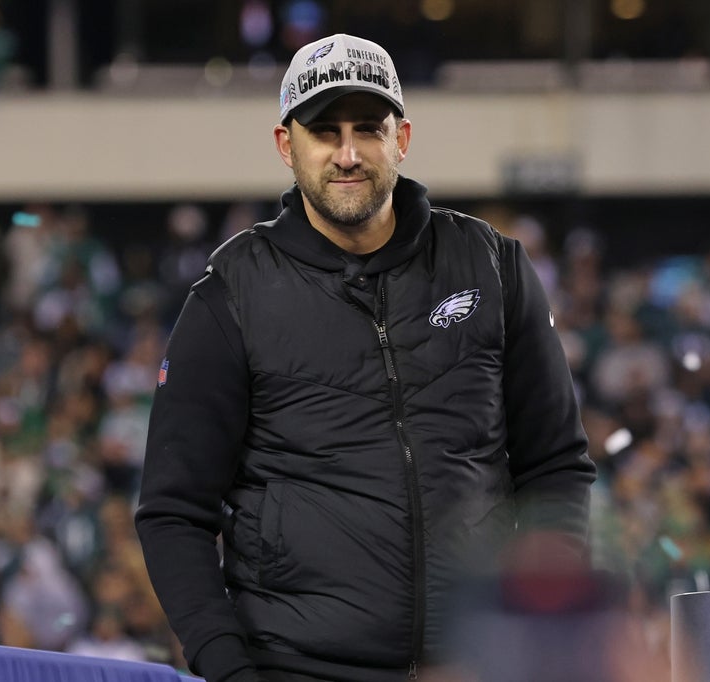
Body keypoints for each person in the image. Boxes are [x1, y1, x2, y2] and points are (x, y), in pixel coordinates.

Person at [134, 33, 596, 682]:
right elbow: (174, 511)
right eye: (324, 131)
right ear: (284, 145)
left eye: (367, 130)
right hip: (301, 668)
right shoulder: (232, 293)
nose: (348, 154)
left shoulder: (492, 265)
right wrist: (230, 670)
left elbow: (556, 468)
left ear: (401, 139)